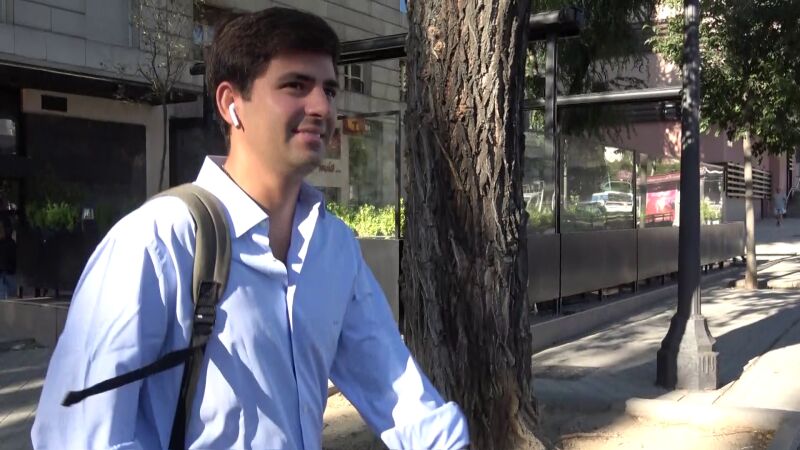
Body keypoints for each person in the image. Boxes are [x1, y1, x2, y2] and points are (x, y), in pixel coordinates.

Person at [32, 7, 468, 450]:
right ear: (230, 103)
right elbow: (76, 435)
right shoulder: (157, 242)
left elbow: (395, 388)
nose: (322, 107)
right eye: (295, 85)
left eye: (330, 89)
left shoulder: (332, 247)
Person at [0, 219, 16, 299]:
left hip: (8, 272)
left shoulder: (11, 243)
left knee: (9, 295)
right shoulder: (11, 243)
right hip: (7, 272)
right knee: (6, 295)